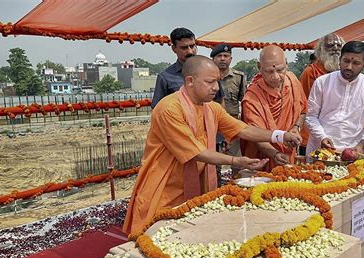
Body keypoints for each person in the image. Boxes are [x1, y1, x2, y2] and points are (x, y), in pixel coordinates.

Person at [123, 56, 301, 235]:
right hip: (164, 189)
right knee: (156, 243)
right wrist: (236, 160)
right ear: (190, 81)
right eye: (210, 82)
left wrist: (281, 135)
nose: (216, 87)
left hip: (196, 184)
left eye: (217, 81)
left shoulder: (211, 108)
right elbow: (195, 152)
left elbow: (243, 130)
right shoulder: (169, 109)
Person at [305, 41, 364, 155]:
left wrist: (362, 145)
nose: (349, 67)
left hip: (352, 152)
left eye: (356, 63)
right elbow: (311, 116)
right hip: (319, 151)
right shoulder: (322, 82)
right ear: (340, 59)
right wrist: (322, 137)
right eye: (346, 61)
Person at [241, 45, 307, 171]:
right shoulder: (252, 98)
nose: (276, 76)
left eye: (280, 70)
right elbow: (255, 136)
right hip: (262, 161)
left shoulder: (293, 81)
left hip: (288, 155)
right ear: (259, 67)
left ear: (286, 64)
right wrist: (274, 153)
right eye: (269, 71)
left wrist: (296, 127)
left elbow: (303, 110)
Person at [151, 28, 223, 108]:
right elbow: (158, 108)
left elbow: (220, 102)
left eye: (192, 46)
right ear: (174, 49)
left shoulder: (210, 70)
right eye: (184, 48)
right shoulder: (165, 77)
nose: (190, 51)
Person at [299, 33, 344, 155]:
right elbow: (306, 108)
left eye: (339, 45)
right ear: (321, 50)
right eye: (330, 46)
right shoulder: (310, 73)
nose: (335, 48)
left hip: (339, 136)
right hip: (312, 136)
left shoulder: (345, 74)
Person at [210, 43, 247, 174]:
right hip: (213, 127)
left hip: (232, 126)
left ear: (231, 59)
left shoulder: (239, 77)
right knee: (214, 165)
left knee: (237, 162)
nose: (223, 59)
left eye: (226, 56)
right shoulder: (207, 77)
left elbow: (245, 102)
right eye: (219, 56)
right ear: (213, 59)